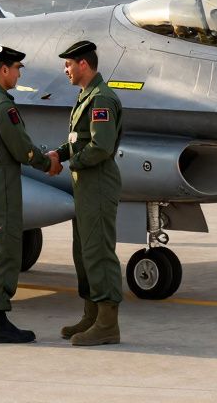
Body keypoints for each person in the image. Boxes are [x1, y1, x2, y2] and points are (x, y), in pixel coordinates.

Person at [0, 45, 62, 344]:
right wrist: (48, 163)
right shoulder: (3, 107)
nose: (18, 74)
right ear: (3, 70)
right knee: (2, 252)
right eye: (17, 68)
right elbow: (24, 149)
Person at [47, 40, 124, 346]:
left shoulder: (102, 98)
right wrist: (61, 153)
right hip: (85, 184)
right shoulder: (85, 97)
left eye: (68, 64)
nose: (65, 70)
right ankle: (90, 315)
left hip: (98, 184)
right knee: (83, 253)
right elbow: (80, 140)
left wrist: (71, 163)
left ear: (83, 64)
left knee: (99, 253)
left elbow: (101, 147)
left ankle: (107, 324)